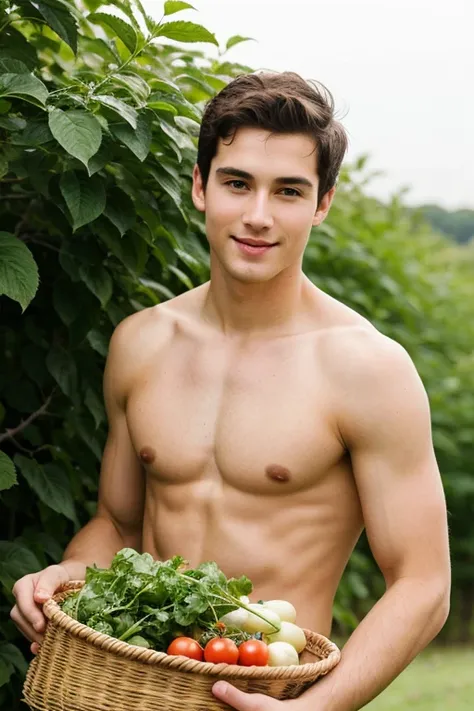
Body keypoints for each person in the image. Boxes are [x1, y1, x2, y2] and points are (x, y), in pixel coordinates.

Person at [10, 71, 450, 711]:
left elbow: (423, 584)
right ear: (199, 186)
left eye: (289, 191)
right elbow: (118, 524)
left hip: (270, 690)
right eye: (237, 183)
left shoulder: (365, 368)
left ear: (322, 204)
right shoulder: (142, 343)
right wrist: (64, 578)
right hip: (125, 688)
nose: (258, 216)